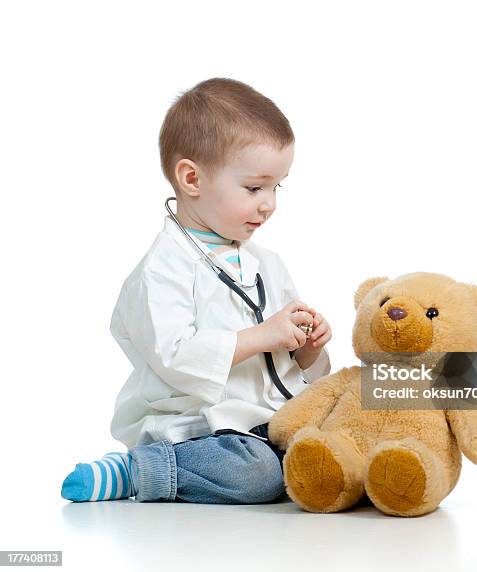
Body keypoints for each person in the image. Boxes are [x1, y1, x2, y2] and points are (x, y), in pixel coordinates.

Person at [61, 78, 332, 504]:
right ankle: (141, 469)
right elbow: (176, 356)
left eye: (277, 187)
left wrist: (308, 350)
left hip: (268, 422)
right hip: (198, 429)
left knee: (331, 435)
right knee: (256, 474)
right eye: (254, 187)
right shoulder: (161, 270)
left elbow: (287, 366)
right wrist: (262, 335)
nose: (270, 203)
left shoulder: (267, 265)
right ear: (191, 178)